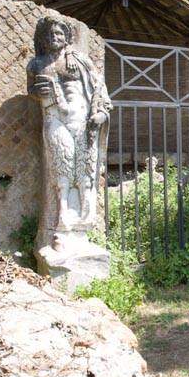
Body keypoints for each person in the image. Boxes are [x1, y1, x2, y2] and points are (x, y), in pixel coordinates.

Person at [27, 16, 111, 249]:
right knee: (62, 162)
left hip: (83, 119)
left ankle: (85, 214)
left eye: (59, 33)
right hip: (55, 118)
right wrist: (36, 91)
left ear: (67, 37)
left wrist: (101, 113)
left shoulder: (81, 61)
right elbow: (31, 91)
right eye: (50, 34)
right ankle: (62, 216)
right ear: (43, 38)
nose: (55, 37)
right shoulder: (36, 64)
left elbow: (99, 87)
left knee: (85, 166)